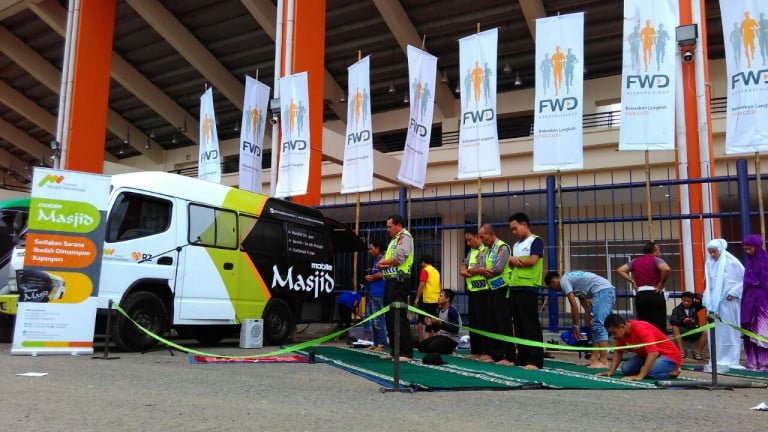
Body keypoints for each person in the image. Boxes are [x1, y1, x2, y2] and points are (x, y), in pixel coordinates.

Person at [544, 271, 616, 368]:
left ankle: (603, 361)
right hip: (603, 291)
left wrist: (576, 327)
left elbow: (574, 306)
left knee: (599, 325)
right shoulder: (576, 286)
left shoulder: (564, 281)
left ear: (553, 282)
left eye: (552, 288)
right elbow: (586, 308)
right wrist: (588, 326)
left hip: (603, 291)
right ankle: (593, 359)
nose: (555, 290)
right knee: (596, 327)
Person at [507, 213, 545, 370]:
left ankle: (535, 360)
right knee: (519, 324)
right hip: (514, 287)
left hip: (528, 287)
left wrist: (514, 260)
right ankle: (522, 357)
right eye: (511, 229)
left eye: (515, 228)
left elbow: (532, 260)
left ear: (524, 224)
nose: (513, 232)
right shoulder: (515, 245)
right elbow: (511, 265)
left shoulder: (535, 240)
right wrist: (511, 261)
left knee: (530, 325)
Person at [473, 223, 514, 365]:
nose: (482, 240)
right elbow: (478, 265)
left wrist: (481, 270)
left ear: (491, 234)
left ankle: (509, 356)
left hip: (502, 288)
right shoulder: (487, 249)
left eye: (483, 237)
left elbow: (497, 269)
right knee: (492, 323)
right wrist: (481, 270)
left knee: (503, 323)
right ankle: (495, 354)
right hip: (491, 289)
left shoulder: (502, 247)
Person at [597, 314, 682, 380]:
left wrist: (640, 376)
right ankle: (648, 368)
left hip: (669, 356)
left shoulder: (641, 329)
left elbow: (653, 353)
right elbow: (618, 351)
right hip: (646, 355)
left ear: (622, 327)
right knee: (626, 369)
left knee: (650, 372)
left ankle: (673, 372)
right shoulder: (621, 334)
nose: (613, 336)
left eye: (613, 333)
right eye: (610, 334)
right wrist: (611, 371)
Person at [376, 214, 414, 361]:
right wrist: (384, 265)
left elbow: (400, 258)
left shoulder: (404, 237)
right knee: (390, 316)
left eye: (390, 226)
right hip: (391, 281)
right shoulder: (394, 240)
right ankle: (395, 350)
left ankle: (405, 352)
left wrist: (383, 264)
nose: (388, 229)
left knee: (398, 316)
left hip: (400, 281)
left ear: (398, 225)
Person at [703, 238, 744, 372]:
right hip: (714, 306)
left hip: (729, 303)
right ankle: (717, 358)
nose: (712, 255)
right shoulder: (710, 263)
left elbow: (742, 280)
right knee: (716, 332)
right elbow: (709, 284)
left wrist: (734, 292)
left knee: (730, 331)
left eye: (714, 252)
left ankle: (731, 359)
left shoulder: (732, 262)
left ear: (720, 250)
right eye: (710, 252)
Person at [616, 241, 671, 333]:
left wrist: (632, 281)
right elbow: (666, 269)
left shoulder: (635, 261)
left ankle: (646, 345)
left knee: (644, 325)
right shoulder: (656, 259)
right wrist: (661, 283)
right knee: (659, 325)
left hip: (641, 295)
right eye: (659, 250)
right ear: (654, 251)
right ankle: (658, 346)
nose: (659, 253)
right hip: (656, 294)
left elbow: (620, 270)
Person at [460, 228, 490, 360]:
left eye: (469, 239)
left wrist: (469, 271)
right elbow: (464, 265)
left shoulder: (485, 250)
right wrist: (463, 270)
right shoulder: (471, 252)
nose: (468, 243)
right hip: (472, 290)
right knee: (474, 322)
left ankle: (485, 351)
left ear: (478, 237)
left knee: (483, 321)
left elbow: (479, 267)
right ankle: (476, 350)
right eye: (466, 240)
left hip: (483, 291)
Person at [741, 234, 768, 372]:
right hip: (749, 303)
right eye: (745, 249)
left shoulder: (765, 262)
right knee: (750, 332)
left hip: (763, 305)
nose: (747, 252)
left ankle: (764, 363)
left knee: (762, 332)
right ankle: (753, 362)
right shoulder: (749, 263)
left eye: (749, 249)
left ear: (756, 248)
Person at [418, 289, 462, 355]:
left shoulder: (452, 311)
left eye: (441, 296)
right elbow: (438, 326)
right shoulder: (439, 310)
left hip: (452, 340)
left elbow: (455, 329)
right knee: (421, 346)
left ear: (447, 299)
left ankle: (450, 349)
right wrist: (431, 323)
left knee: (431, 347)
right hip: (441, 337)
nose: (438, 298)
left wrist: (440, 323)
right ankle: (445, 349)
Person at [363, 239, 388, 352]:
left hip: (380, 294)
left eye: (371, 248)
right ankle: (375, 343)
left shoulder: (384, 259)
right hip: (372, 293)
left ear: (378, 248)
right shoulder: (375, 260)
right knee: (372, 320)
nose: (369, 251)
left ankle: (382, 344)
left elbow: (385, 272)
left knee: (379, 320)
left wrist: (372, 277)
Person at [669, 292, 707, 360]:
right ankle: (681, 352)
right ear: (681, 300)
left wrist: (695, 295)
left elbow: (704, 302)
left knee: (705, 330)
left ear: (692, 301)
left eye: (688, 301)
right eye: (684, 300)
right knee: (674, 327)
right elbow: (672, 321)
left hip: (694, 329)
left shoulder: (695, 306)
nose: (686, 302)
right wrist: (683, 321)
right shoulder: (676, 309)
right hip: (683, 330)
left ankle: (698, 352)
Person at [415, 255, 441, 342]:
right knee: (433, 319)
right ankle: (435, 339)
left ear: (423, 262)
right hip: (436, 298)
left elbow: (422, 285)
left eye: (421, 263)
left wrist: (417, 298)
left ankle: (427, 340)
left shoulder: (425, 270)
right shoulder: (436, 271)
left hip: (428, 298)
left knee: (427, 320)